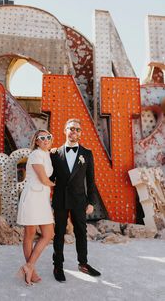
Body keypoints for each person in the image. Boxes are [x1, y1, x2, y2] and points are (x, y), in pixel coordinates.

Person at [50, 118, 101, 282]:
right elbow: (50, 178)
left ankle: (83, 264)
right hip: (60, 199)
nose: (74, 132)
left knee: (81, 232)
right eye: (71, 128)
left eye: (78, 129)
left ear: (81, 133)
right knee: (59, 233)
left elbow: (91, 180)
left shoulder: (87, 153)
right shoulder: (54, 153)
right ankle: (58, 265)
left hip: (80, 200)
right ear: (65, 131)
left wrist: (92, 202)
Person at [17, 129, 55, 286]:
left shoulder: (47, 154)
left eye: (48, 137)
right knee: (30, 233)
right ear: (36, 141)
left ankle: (29, 266)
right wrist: (60, 186)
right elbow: (44, 179)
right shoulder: (35, 155)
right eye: (42, 138)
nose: (46, 140)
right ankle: (31, 270)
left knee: (48, 233)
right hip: (33, 197)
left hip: (42, 199)